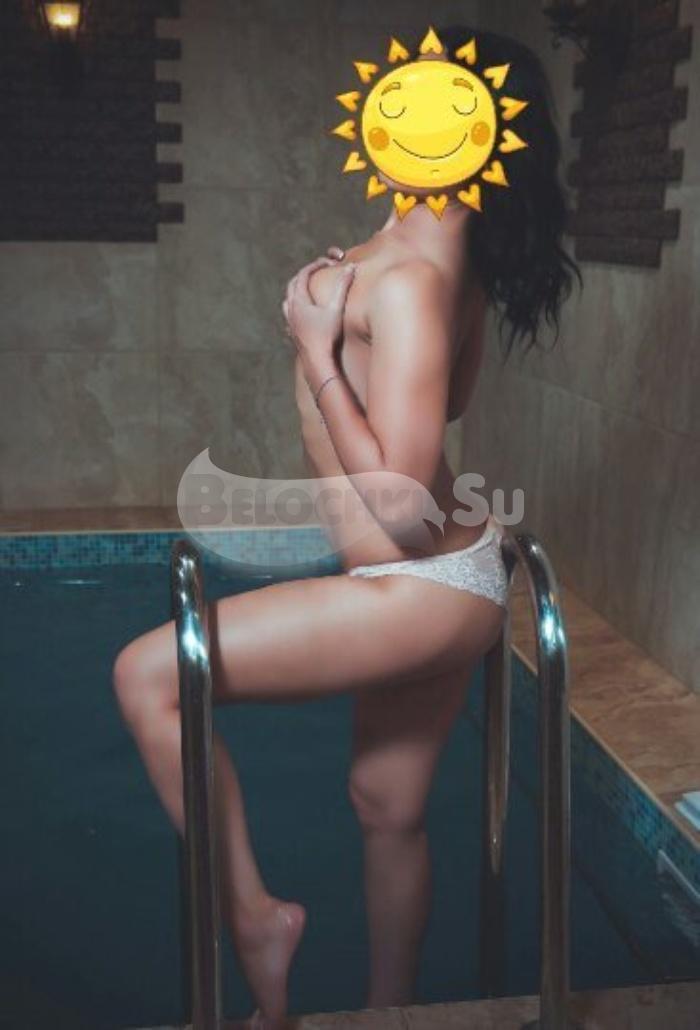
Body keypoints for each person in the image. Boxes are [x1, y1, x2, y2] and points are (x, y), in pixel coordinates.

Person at [112, 24, 579, 1029]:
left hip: (418, 579)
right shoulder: (441, 261)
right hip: (450, 575)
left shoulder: (408, 278)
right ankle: (386, 1012)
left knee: (147, 675)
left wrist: (319, 351)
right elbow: (439, 410)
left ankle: (255, 921)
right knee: (385, 805)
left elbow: (402, 507)